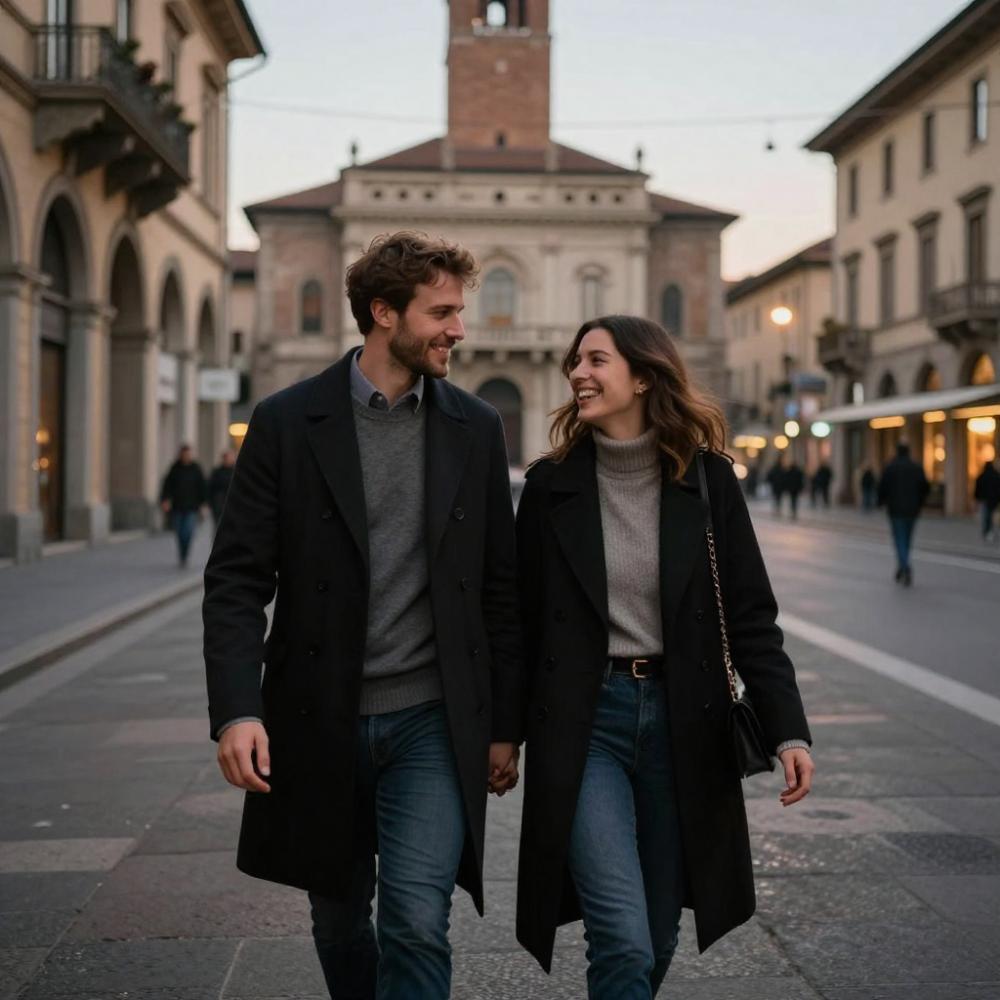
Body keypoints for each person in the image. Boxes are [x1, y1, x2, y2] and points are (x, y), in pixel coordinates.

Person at [203, 232, 524, 1000]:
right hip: (320, 717)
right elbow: (237, 580)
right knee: (340, 920)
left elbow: (501, 589)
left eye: (460, 311)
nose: (458, 329)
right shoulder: (286, 421)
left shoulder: (475, 427)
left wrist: (505, 723)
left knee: (416, 918)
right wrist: (236, 712)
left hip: (431, 719)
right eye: (441, 312)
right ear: (384, 313)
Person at [514, 315, 814, 998]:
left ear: (644, 376)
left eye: (596, 360)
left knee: (659, 933)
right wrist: (504, 734)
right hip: (586, 723)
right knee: (620, 935)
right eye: (574, 362)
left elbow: (752, 618)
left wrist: (787, 726)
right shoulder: (549, 487)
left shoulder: (708, 482)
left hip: (686, 723)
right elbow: (517, 624)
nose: (577, 374)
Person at [877, 441, 930, 586]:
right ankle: (903, 564)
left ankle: (904, 566)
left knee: (899, 538)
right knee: (907, 538)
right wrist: (920, 502)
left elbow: (882, 487)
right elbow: (925, 487)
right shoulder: (916, 467)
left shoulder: (890, 467)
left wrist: (881, 502)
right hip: (912, 509)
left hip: (895, 509)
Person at [159, 444, 206, 567]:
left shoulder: (196, 468)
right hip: (177, 506)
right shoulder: (175, 468)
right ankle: (182, 554)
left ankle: (185, 554)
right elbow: (167, 485)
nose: (186, 456)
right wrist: (165, 500)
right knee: (179, 533)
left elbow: (202, 487)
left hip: (192, 507)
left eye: (188, 454)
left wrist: (203, 504)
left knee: (188, 532)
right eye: (184, 454)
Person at [207, 449, 236, 529]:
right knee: (218, 526)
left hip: (232, 505)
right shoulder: (216, 472)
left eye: (229, 458)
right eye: (226, 458)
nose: (227, 460)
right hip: (218, 504)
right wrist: (209, 503)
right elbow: (210, 487)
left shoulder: (236, 472)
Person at [974, 459, 1000, 542]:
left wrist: (976, 498)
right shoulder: (996, 475)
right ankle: (989, 531)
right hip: (993, 500)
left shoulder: (982, 476)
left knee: (986, 516)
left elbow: (977, 488)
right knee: (991, 516)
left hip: (985, 500)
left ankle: (987, 531)